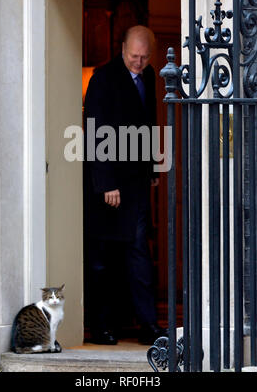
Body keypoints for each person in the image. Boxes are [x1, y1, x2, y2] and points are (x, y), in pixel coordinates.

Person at [83, 25, 166, 345]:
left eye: (145, 56)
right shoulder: (104, 78)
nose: (139, 62)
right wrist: (107, 183)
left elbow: (150, 122)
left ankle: (147, 324)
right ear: (122, 49)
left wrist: (155, 165)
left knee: (138, 253)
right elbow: (95, 129)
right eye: (134, 56)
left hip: (136, 183)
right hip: (108, 186)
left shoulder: (150, 75)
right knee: (104, 258)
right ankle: (102, 326)